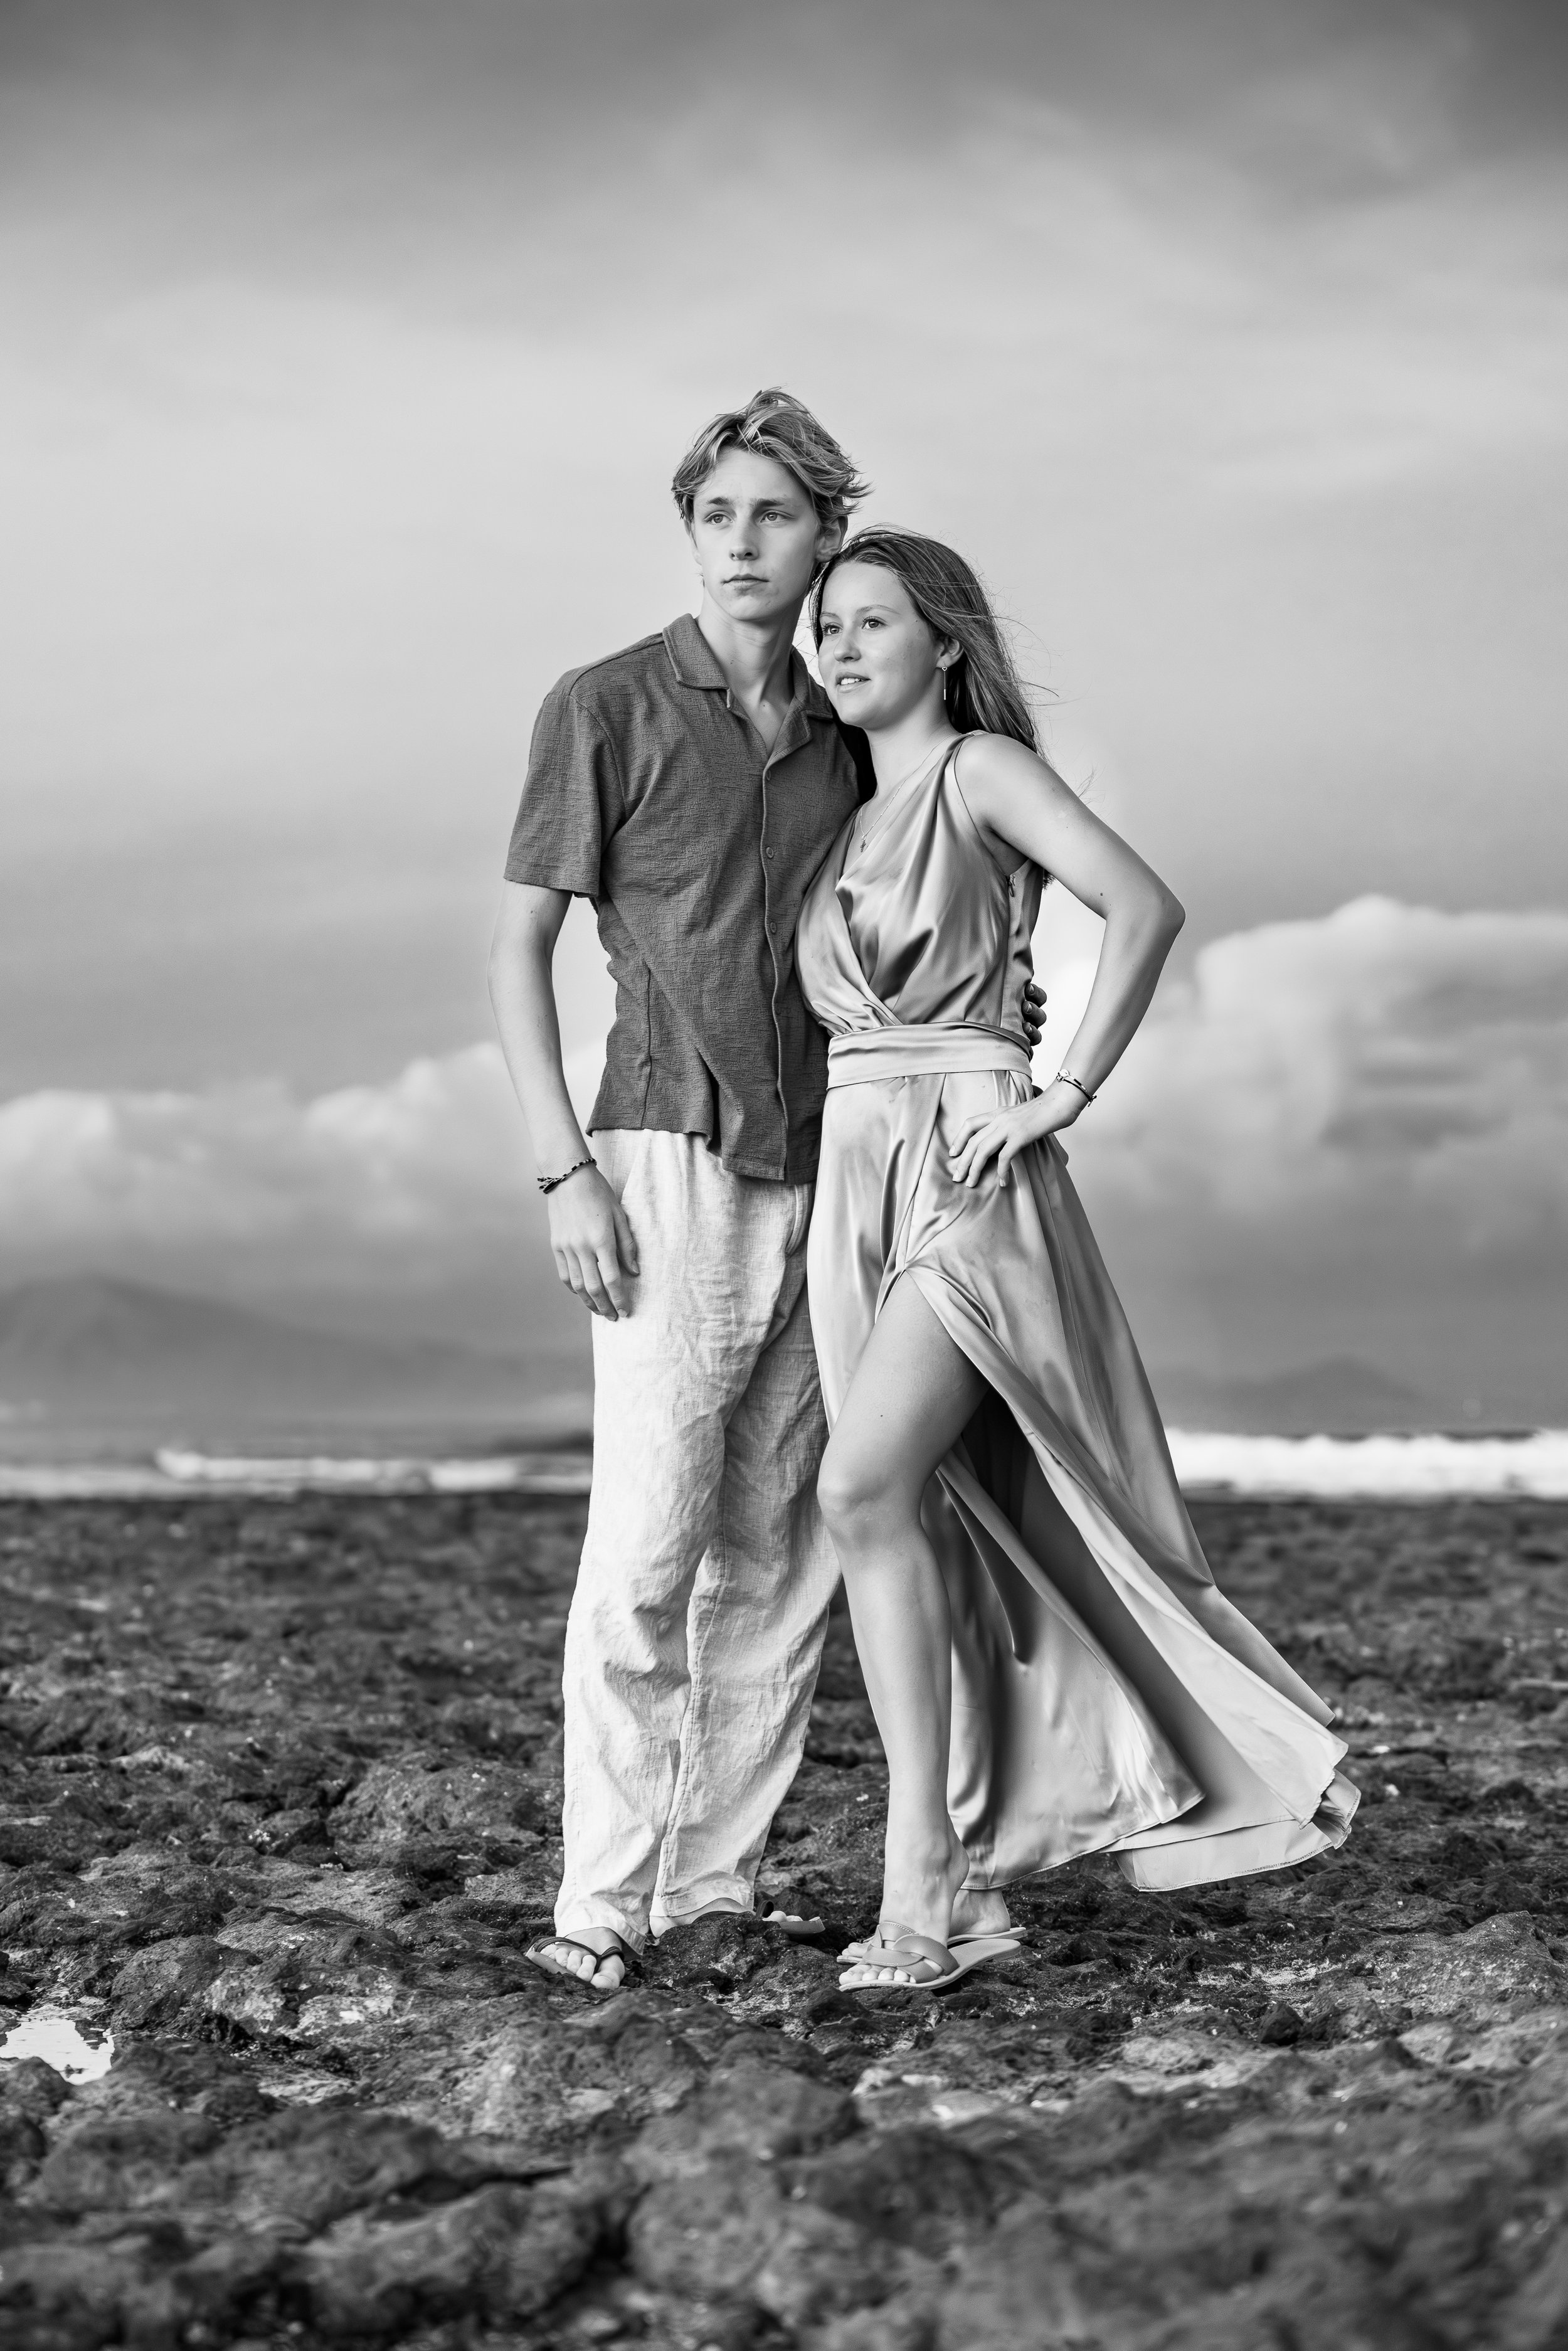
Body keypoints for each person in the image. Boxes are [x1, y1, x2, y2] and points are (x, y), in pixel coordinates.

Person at [488, 395, 1049, 1993]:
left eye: (775, 519)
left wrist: (1014, 1069)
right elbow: (517, 949)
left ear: (821, 541)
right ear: (692, 531)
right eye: (717, 515)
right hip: (657, 1151)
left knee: (782, 1544)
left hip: (840, 1173)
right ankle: (601, 1899)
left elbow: (968, 885)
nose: (742, 545)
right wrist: (563, 1167)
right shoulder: (600, 704)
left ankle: (713, 1882)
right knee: (648, 1542)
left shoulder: (844, 721)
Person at [796, 528, 1359, 1993]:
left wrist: (1058, 1088)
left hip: (967, 1162)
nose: (840, 647)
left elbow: (1142, 904)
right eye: (825, 629)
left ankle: (923, 1873)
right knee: (921, 1511)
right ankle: (965, 1885)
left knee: (857, 1487)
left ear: (943, 642)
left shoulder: (979, 773)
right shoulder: (845, 821)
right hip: (851, 1175)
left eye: (870, 622)